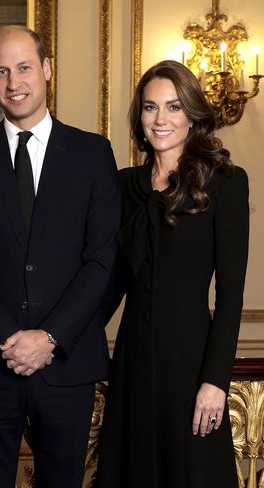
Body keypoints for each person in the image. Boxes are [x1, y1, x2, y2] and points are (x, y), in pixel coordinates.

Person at [0, 25, 121, 487]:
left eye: (23, 67)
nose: (13, 81)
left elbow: (101, 260)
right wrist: (6, 338)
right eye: (1, 71)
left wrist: (50, 338)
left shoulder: (93, 154)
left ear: (47, 70)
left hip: (67, 367)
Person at [95, 60, 249, 488]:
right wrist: (58, 338)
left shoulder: (226, 183)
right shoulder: (124, 184)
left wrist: (215, 381)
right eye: (150, 107)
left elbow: (232, 294)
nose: (160, 119)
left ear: (193, 114)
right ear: (139, 116)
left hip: (191, 365)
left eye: (173, 107)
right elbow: (110, 281)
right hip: (133, 361)